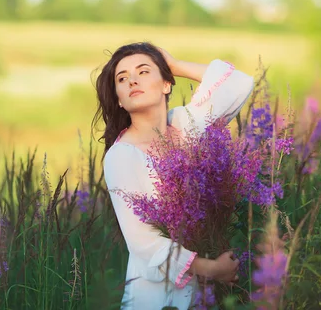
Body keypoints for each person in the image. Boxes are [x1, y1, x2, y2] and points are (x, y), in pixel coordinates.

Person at [92, 42, 255, 309]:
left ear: (166, 84)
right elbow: (144, 243)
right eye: (122, 79)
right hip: (159, 294)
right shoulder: (122, 156)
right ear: (119, 99)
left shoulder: (185, 123)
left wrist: (175, 65)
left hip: (212, 286)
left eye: (143, 72)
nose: (132, 80)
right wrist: (212, 269)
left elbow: (238, 83)